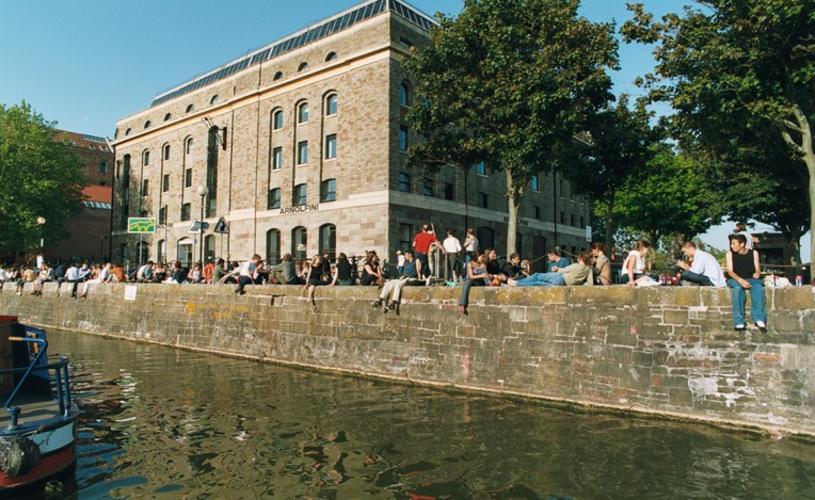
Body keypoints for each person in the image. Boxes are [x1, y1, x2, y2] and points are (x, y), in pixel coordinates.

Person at [725, 234, 766, 332]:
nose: (732, 246)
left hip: (750, 278)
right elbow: (730, 271)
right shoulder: (729, 254)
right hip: (735, 279)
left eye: (734, 243)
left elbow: (757, 270)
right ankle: (739, 321)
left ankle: (759, 319)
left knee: (758, 289)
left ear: (742, 244)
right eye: (731, 244)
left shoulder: (754, 253)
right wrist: (740, 280)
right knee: (737, 290)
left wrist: (757, 273)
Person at [508, 252, 593, 287]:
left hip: (559, 277)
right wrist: (579, 282)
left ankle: (517, 283)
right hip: (562, 284)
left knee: (537, 275)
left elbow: (563, 270)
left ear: (581, 258)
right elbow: (590, 283)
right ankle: (517, 284)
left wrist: (557, 268)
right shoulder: (589, 269)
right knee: (538, 283)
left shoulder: (576, 265)